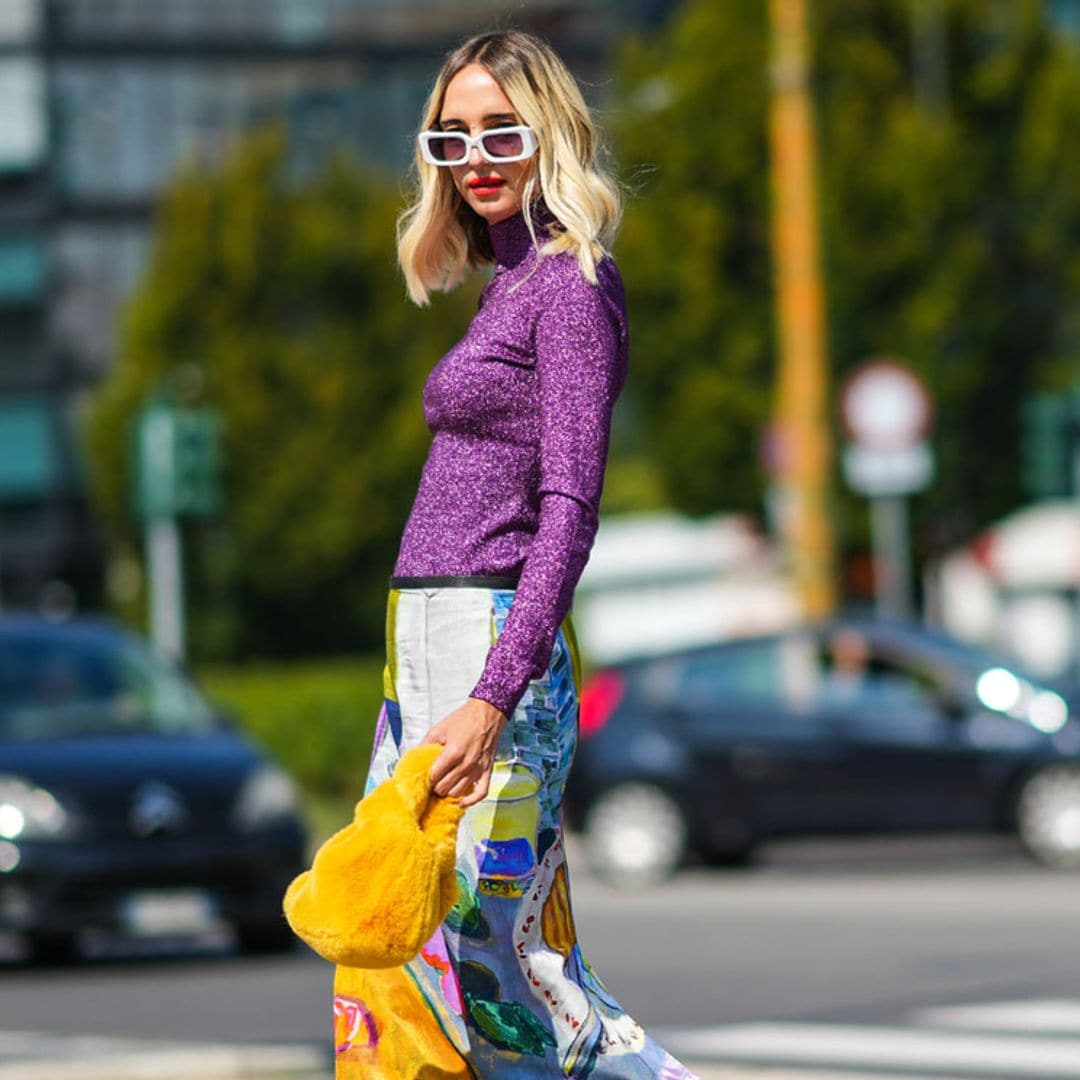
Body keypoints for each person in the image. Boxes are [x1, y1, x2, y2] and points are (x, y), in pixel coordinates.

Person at [331, 28, 699, 1080]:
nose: (478, 156)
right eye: (453, 139)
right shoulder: (510, 286)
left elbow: (570, 506)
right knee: (405, 952)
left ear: (550, 133)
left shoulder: (571, 287)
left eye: (502, 130)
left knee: (504, 976)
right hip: (430, 649)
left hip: (495, 645)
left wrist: (492, 695)